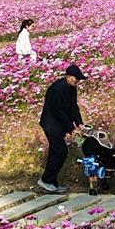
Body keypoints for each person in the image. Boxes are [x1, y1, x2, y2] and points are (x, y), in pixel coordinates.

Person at [38, 62, 86, 194]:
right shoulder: (57, 89)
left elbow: (73, 107)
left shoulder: (72, 88)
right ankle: (46, 180)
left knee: (56, 152)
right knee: (61, 151)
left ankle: (51, 184)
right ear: (68, 76)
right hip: (51, 124)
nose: (78, 81)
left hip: (59, 124)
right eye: (76, 78)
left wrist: (79, 123)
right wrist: (71, 129)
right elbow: (59, 112)